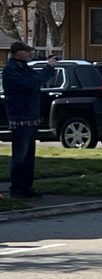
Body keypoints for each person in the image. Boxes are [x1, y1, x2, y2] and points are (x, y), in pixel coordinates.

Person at [2, 41, 56, 199]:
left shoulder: (25, 68)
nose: (29, 54)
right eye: (27, 51)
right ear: (17, 52)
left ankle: (26, 187)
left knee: (29, 156)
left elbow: (38, 80)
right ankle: (16, 188)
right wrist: (48, 67)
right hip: (20, 118)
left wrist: (48, 68)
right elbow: (32, 84)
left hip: (31, 117)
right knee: (20, 156)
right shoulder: (11, 70)